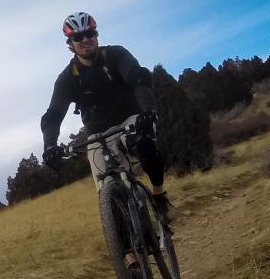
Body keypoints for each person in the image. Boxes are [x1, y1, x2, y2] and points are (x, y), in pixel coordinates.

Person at [40, 11, 173, 223]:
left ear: (96, 34)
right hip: (97, 133)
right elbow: (53, 115)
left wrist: (148, 110)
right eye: (78, 37)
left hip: (131, 118)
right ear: (70, 43)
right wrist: (49, 146)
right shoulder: (67, 78)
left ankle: (159, 195)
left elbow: (137, 77)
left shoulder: (116, 55)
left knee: (144, 144)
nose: (85, 40)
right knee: (107, 193)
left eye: (89, 33)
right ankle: (128, 255)